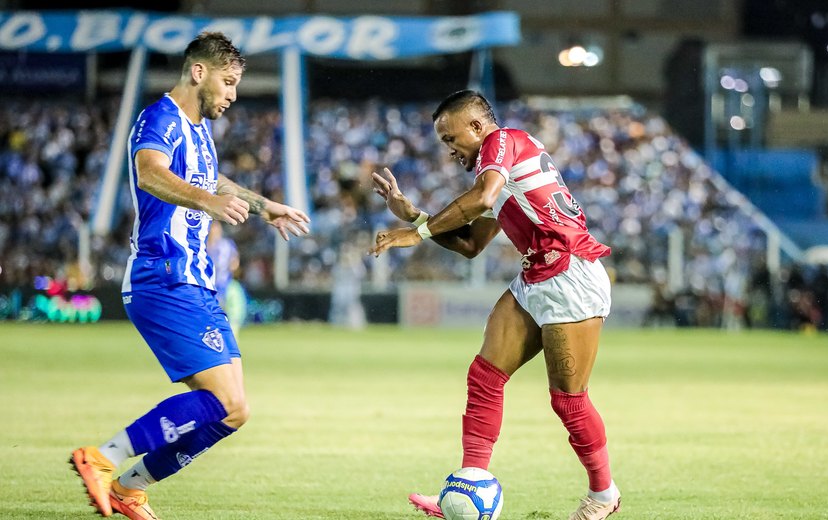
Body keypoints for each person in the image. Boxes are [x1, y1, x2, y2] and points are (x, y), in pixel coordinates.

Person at [69, 32, 310, 520]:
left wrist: (264, 207)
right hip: (163, 276)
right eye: (229, 82)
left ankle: (129, 488)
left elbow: (211, 181)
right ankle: (103, 458)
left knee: (235, 410)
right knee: (221, 399)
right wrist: (209, 203)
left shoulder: (198, 131)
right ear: (198, 72)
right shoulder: (160, 118)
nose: (233, 94)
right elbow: (149, 173)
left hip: (196, 283)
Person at [370, 90, 620, 520]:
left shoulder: (501, 141)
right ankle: (467, 488)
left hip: (571, 275)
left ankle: (603, 494)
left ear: (476, 127)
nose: (450, 149)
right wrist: (412, 215)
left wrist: (420, 234)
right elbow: (470, 244)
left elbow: (482, 199)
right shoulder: (500, 176)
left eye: (451, 138)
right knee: (485, 376)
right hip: (536, 275)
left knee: (568, 401)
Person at [207, 220, 248, 338]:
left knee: (227, 316)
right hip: (216, 286)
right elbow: (235, 264)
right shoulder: (225, 244)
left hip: (220, 285)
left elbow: (234, 264)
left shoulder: (206, 245)